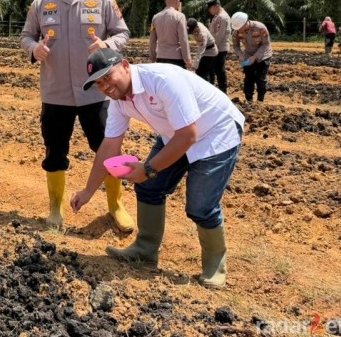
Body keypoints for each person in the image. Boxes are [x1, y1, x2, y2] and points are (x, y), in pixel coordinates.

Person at [70, 48, 244, 289]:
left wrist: (147, 169)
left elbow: (188, 136)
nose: (105, 86)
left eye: (107, 77)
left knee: (201, 206)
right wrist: (88, 191)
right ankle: (145, 249)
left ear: (125, 65)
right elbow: (109, 145)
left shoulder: (162, 81)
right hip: (176, 132)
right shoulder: (118, 101)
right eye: (99, 83)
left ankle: (214, 265)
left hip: (215, 131)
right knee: (149, 187)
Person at [20, 0, 133, 231]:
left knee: (106, 148)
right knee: (55, 151)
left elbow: (122, 33)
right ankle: (55, 208)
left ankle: (115, 205)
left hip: (96, 92)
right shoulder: (42, 2)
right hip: (55, 92)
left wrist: (107, 43)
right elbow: (26, 37)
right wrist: (34, 50)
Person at [230, 12, 273, 103]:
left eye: (240, 28)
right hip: (248, 55)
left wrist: (255, 57)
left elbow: (266, 44)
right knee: (249, 78)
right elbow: (236, 46)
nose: (239, 31)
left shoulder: (260, 28)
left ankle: (260, 100)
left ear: (246, 23)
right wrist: (240, 55)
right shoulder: (236, 31)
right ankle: (249, 100)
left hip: (263, 55)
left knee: (260, 79)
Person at [149, 0, 192, 69]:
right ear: (177, 2)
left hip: (161, 56)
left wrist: (152, 57)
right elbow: (183, 40)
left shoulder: (155, 17)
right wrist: (187, 59)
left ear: (166, 1)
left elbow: (152, 40)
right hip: (176, 57)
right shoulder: (180, 16)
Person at [206, 0, 231, 92]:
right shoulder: (218, 16)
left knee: (219, 70)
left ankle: (223, 90)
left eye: (210, 8)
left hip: (219, 48)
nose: (209, 11)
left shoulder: (222, 17)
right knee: (215, 69)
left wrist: (212, 47)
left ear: (216, 6)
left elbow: (219, 35)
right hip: (217, 47)